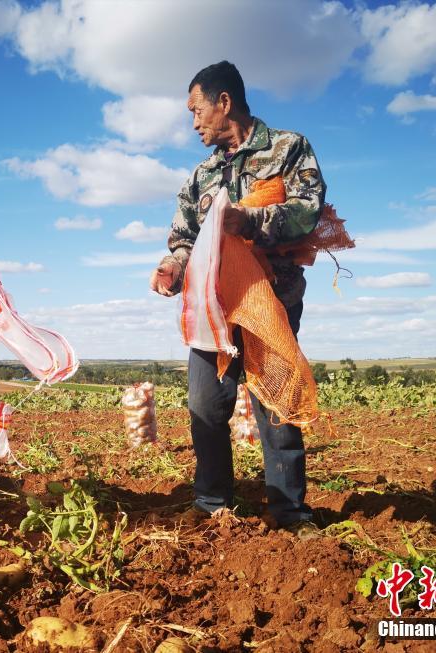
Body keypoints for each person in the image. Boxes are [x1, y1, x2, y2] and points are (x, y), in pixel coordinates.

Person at [150, 61, 323, 539]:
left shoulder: (287, 149)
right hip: (213, 309)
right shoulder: (202, 175)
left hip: (271, 302)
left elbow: (307, 211)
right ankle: (212, 504)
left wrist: (249, 222)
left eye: (197, 110)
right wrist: (172, 267)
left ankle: (289, 514)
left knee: (275, 406)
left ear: (224, 102)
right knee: (205, 403)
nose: (193, 122)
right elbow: (185, 238)